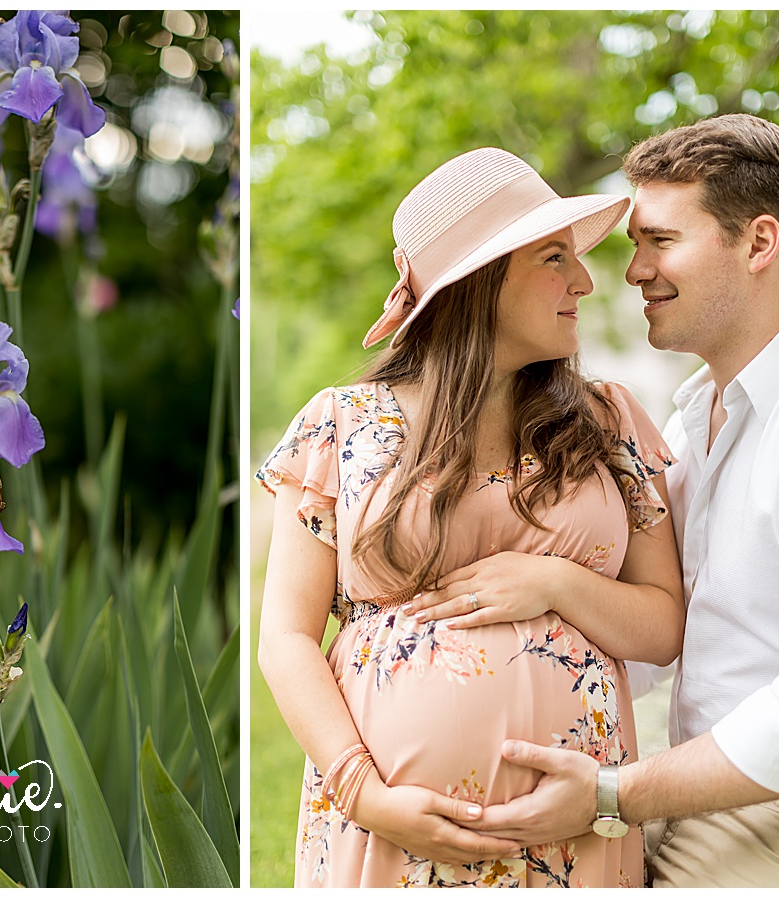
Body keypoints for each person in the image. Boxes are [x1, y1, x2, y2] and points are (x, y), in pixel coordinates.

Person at [255, 147, 685, 887]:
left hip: (574, 836)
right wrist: (365, 793)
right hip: (388, 832)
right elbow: (285, 639)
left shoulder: (608, 422)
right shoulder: (342, 428)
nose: (584, 280)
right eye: (554, 257)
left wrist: (555, 581)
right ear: (476, 283)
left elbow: (663, 626)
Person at [459, 114, 779, 888]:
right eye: (636, 244)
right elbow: (655, 639)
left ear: (759, 244)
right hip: (692, 793)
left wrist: (608, 795)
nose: (631, 272)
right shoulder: (692, 421)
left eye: (660, 240)